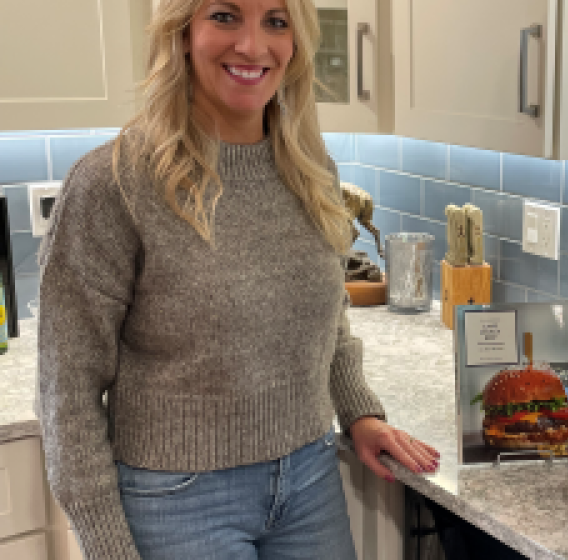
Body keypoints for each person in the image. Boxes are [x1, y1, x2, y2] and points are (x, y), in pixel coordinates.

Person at [36, 0, 439, 558]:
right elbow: (68, 392)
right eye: (225, 16)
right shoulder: (112, 184)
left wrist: (359, 411)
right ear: (182, 34)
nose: (253, 46)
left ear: (295, 41)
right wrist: (108, 547)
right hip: (175, 498)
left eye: (276, 20)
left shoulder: (309, 167)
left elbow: (329, 314)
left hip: (309, 477)